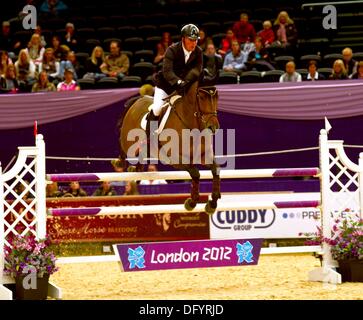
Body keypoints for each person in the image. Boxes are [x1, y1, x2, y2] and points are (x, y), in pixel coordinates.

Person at [148, 24, 203, 137]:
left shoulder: (198, 52)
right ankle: (148, 137)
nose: (193, 43)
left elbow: (197, 70)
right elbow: (167, 72)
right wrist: (179, 82)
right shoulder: (172, 50)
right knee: (157, 108)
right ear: (183, 38)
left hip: (184, 87)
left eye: (195, 40)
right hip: (166, 86)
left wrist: (186, 81)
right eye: (190, 40)